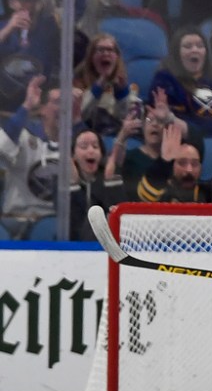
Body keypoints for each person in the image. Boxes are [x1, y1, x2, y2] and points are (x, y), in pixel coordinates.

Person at [0, 76, 84, 239]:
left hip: (51, 222)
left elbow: (89, 172)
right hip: (15, 218)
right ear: (43, 109)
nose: (64, 106)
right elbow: (3, 148)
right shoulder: (24, 136)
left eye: (67, 101)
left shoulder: (76, 145)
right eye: (58, 101)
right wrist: (27, 105)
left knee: (50, 231)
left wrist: (78, 117)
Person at [148, 28, 212, 138]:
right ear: (177, 53)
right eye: (187, 46)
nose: (195, 50)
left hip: (205, 145)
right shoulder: (164, 80)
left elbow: (211, 127)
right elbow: (160, 120)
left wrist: (175, 121)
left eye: (200, 46)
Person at [69, 129, 127, 241]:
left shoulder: (110, 179)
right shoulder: (61, 182)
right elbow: (74, 223)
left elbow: (119, 217)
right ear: (73, 155)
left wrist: (111, 183)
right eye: (84, 147)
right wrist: (73, 186)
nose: (91, 151)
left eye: (95, 147)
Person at [74, 34, 131, 137]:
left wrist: (122, 94)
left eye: (110, 50)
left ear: (117, 57)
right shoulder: (78, 81)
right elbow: (78, 115)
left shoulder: (123, 85)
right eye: (100, 50)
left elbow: (126, 118)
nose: (105, 54)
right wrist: (99, 85)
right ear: (91, 57)